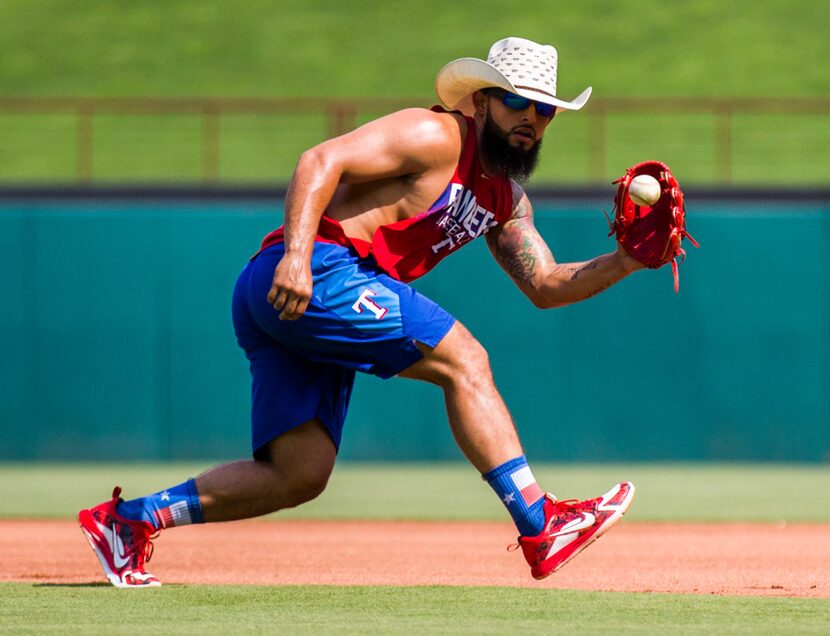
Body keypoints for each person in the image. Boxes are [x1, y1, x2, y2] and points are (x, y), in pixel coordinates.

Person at [79, 36, 641, 588]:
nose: (532, 119)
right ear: (481, 100)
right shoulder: (437, 133)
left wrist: (627, 259)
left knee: (299, 474)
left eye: (545, 110)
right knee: (464, 359)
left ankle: (131, 521)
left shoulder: (508, 201)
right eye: (517, 101)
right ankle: (540, 524)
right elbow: (320, 159)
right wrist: (297, 256)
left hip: (310, 292)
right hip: (315, 269)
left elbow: (545, 284)